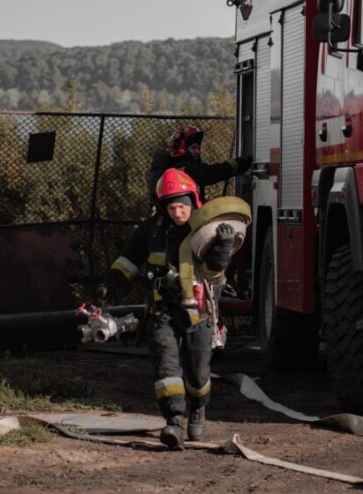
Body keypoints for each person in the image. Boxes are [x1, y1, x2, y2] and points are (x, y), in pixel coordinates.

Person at [97, 168, 238, 450]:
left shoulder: (204, 229)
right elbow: (128, 260)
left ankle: (198, 408)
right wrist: (109, 284)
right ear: (163, 207)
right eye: (172, 206)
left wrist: (222, 247)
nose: (178, 212)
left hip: (199, 312)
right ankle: (173, 421)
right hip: (162, 312)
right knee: (166, 367)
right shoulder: (151, 231)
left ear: (193, 202)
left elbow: (213, 272)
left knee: (198, 374)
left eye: (182, 205)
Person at [147, 125, 253, 204]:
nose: (198, 151)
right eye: (193, 148)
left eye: (198, 148)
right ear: (182, 149)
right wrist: (242, 163)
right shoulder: (186, 169)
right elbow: (214, 172)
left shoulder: (171, 166)